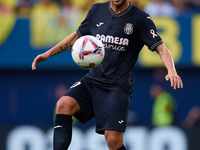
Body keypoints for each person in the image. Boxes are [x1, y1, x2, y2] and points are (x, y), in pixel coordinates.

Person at [32, 0, 183, 149]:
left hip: (117, 87)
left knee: (112, 140)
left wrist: (171, 70)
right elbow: (76, 36)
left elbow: (162, 48)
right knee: (63, 105)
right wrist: (48, 54)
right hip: (93, 80)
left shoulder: (140, 19)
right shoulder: (97, 10)